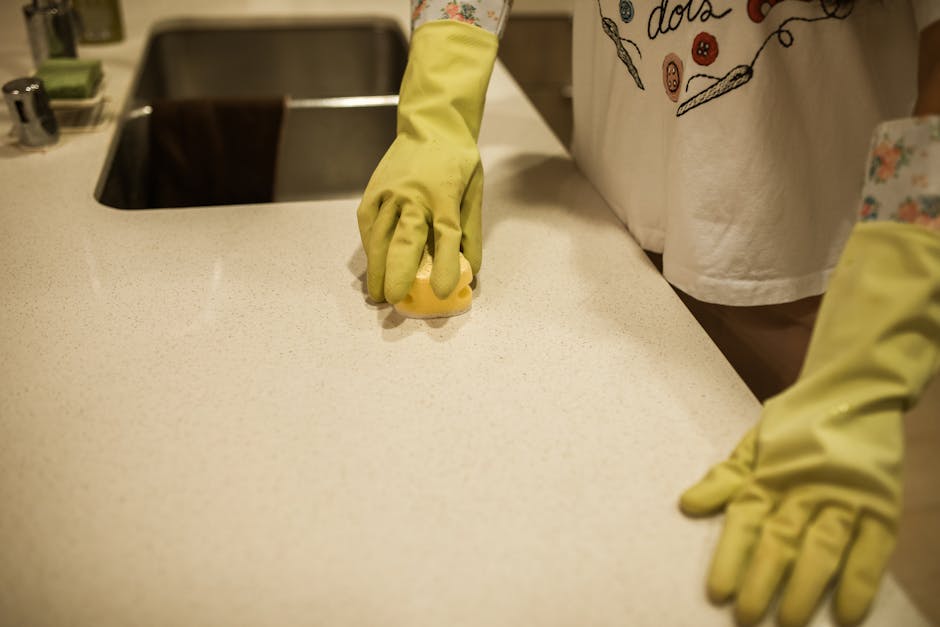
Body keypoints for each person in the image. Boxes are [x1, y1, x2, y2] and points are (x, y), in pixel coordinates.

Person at [356, 1, 940, 625]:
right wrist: (438, 107)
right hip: (609, 224)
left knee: (745, 558)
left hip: (796, 255)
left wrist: (885, 315)